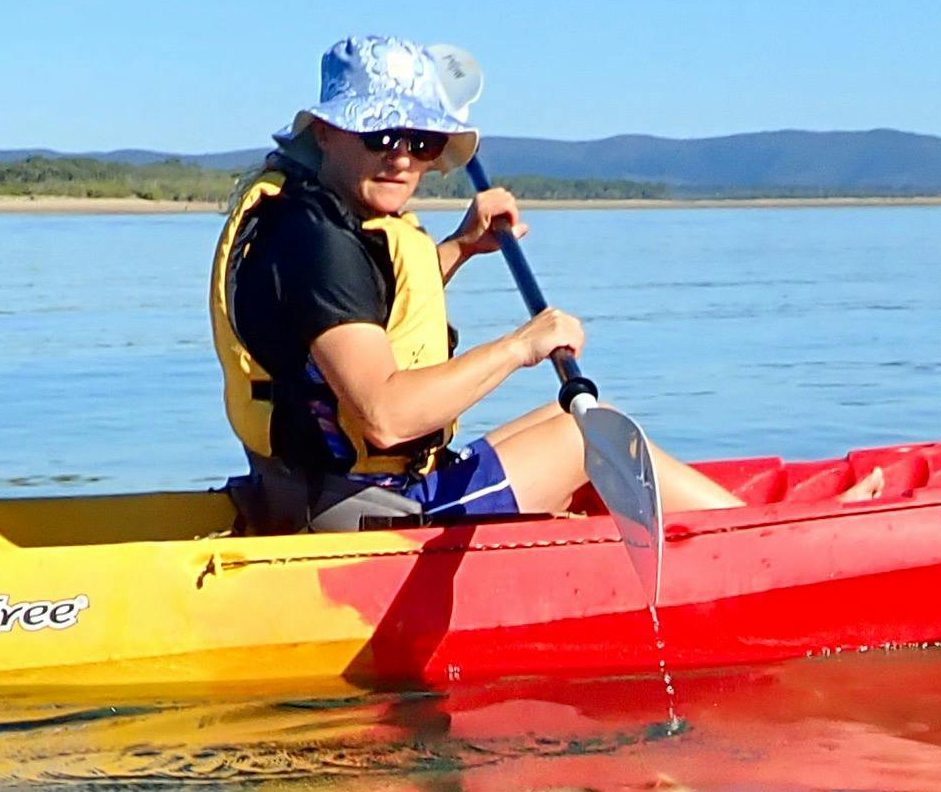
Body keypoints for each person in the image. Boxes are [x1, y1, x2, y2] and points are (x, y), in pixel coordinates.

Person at [209, 37, 743, 534]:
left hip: (311, 492)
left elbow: (356, 313)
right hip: (368, 516)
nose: (400, 158)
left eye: (421, 141)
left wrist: (461, 246)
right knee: (580, 440)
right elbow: (386, 419)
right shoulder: (318, 240)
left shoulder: (309, 217)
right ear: (325, 132)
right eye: (379, 136)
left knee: (583, 420)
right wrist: (519, 347)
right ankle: (760, 541)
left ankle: (748, 526)